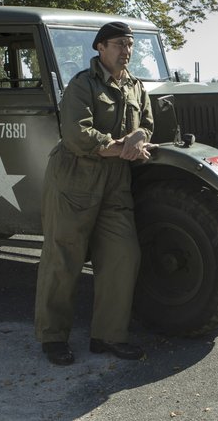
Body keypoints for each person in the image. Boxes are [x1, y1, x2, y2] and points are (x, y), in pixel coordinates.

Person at [34, 21, 155, 366]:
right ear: (100, 48)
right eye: (119, 44)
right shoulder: (82, 85)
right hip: (75, 179)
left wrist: (139, 138)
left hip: (115, 182)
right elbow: (77, 134)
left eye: (130, 45)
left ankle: (108, 336)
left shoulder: (135, 86)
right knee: (63, 257)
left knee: (122, 254)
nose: (126, 51)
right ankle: (53, 337)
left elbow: (146, 123)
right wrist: (121, 147)